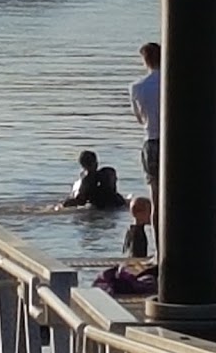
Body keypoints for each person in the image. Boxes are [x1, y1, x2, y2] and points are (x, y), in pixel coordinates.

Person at [129, 42, 161, 231]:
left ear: (145, 61)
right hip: (176, 143)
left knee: (156, 199)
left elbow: (140, 119)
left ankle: (159, 250)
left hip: (152, 141)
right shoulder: (175, 82)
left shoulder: (137, 88)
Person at [60, 150, 126, 210]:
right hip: (114, 203)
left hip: (101, 204)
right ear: (96, 162)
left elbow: (80, 200)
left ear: (82, 164)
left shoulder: (86, 179)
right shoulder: (108, 172)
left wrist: (63, 205)